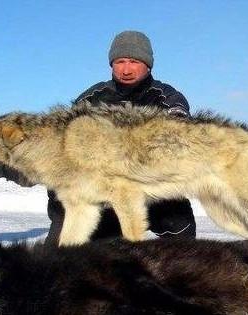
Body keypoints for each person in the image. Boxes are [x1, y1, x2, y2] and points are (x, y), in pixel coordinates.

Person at [45, 30, 196, 245]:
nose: (126, 69)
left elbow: (181, 133)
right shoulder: (92, 98)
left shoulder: (166, 97)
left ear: (148, 64)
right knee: (64, 241)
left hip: (152, 189)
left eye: (134, 61)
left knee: (182, 240)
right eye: (120, 62)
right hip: (104, 191)